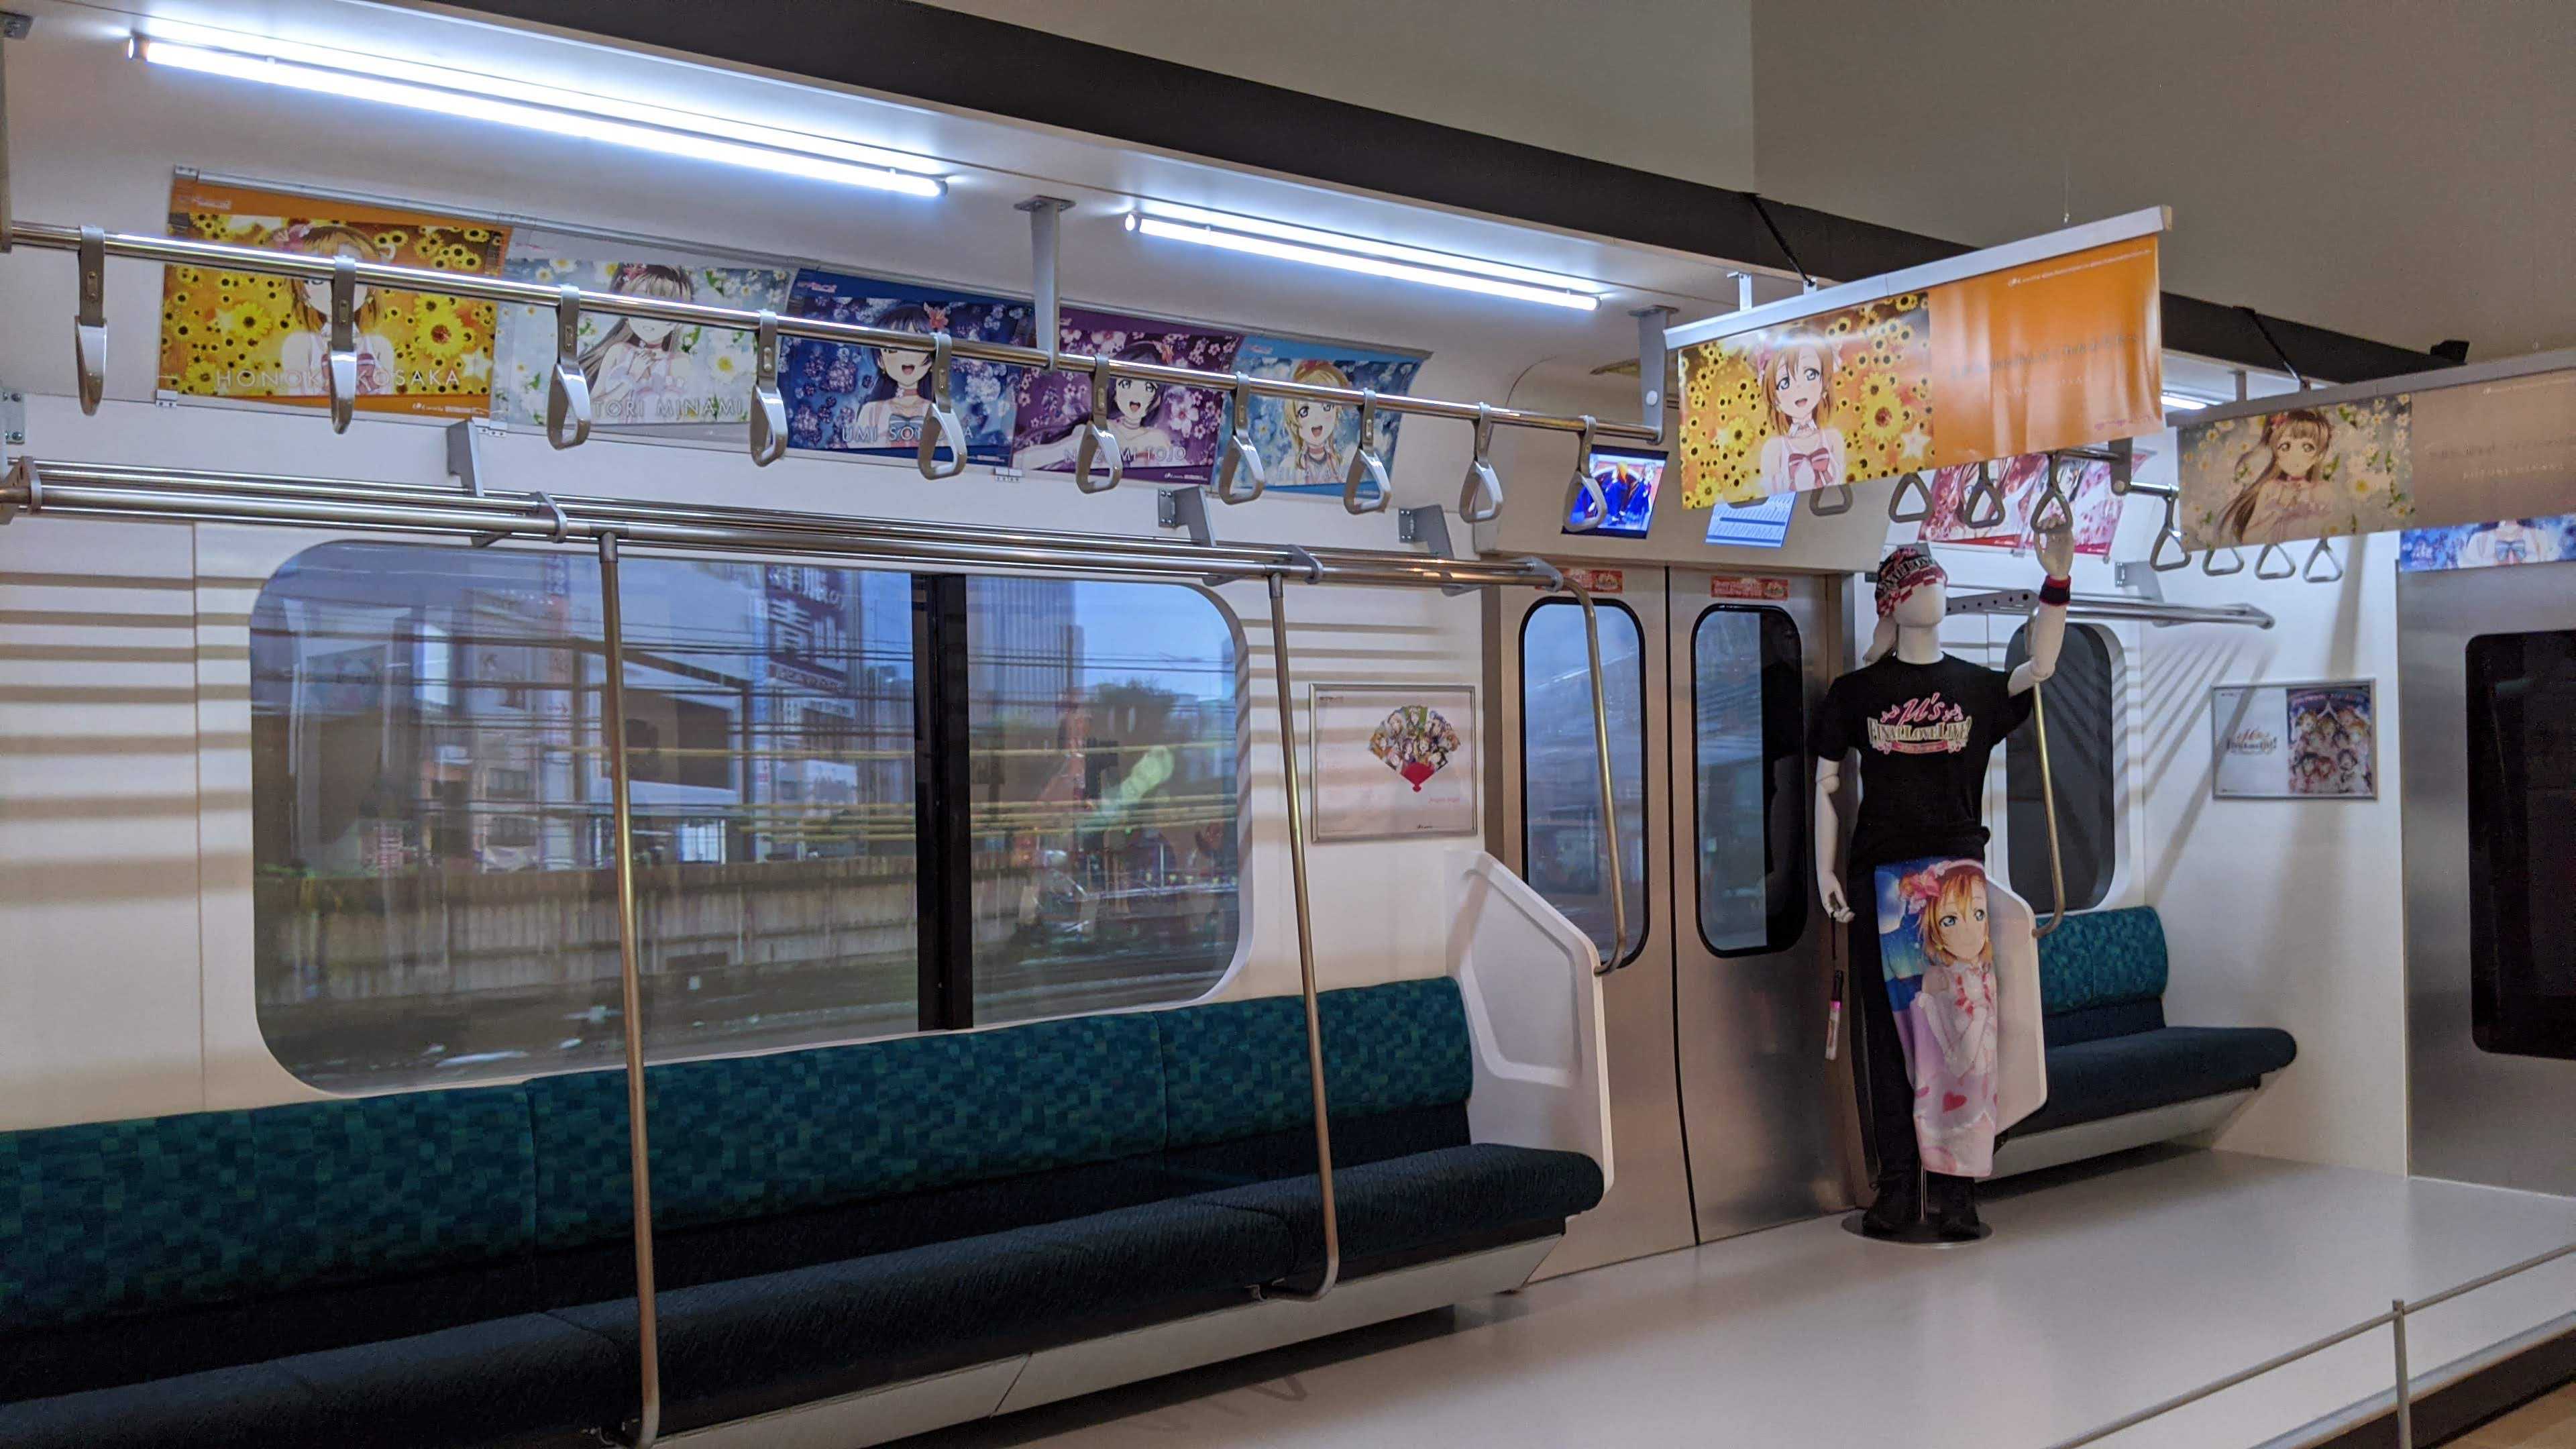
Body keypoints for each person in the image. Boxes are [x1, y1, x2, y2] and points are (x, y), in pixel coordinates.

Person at [1812, 531, 2071, 1241]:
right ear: (1894, 602)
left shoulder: (1977, 687)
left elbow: (2041, 667)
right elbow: (1827, 782)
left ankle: (1957, 1193)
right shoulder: (1857, 693)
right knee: (1890, 1041)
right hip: (1883, 883)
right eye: (1920, 583)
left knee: (1965, 1040)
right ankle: (1900, 1188)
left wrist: (2057, 585)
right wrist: (1826, 869)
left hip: (1958, 883)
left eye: (1937, 580)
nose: (1935, 591)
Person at [1012, 341, 1184, 472]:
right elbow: (1020, 461)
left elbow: (1182, 477)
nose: (1136, 395)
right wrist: (1074, 448)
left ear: (1157, 399)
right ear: (1114, 391)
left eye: (1149, 388)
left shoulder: (1157, 439)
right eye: (1126, 384)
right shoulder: (1097, 431)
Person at [272, 222, 398, 397]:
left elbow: (387, 401)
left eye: (354, 278)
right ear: (302, 292)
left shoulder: (380, 347)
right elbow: (298, 402)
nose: (335, 288)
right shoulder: (300, 345)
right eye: (317, 280)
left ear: (371, 289)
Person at [579, 264, 696, 424]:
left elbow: (681, 418)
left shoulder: (679, 362)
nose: (651, 317)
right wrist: (632, 377)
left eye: (664, 310)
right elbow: (590, 413)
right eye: (643, 305)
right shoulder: (618, 352)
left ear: (679, 321)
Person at [2215, 408, 2333, 544]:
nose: (2295, 455)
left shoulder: (2321, 491)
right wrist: (2278, 511)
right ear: (2276, 454)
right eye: (2285, 447)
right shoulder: (2271, 488)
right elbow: (2247, 539)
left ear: (2319, 456)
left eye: (2307, 448)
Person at [1755, 335, 1846, 496]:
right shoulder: (1774, 450)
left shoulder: (1834, 439)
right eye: (1785, 382)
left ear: (1825, 386)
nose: (1799, 386)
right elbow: (1772, 502)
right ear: (1775, 400)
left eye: (1810, 374)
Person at [847, 303, 943, 449]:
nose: (906, 355)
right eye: (893, 349)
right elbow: (858, 453)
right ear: (880, 361)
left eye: (917, 345)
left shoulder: (939, 413)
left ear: (932, 357)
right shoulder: (872, 411)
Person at [1277, 358, 1356, 488]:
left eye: (1326, 407)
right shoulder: (1289, 466)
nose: (1316, 419)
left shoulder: (1342, 462)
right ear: (1294, 422)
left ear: (1337, 412)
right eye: (1304, 412)